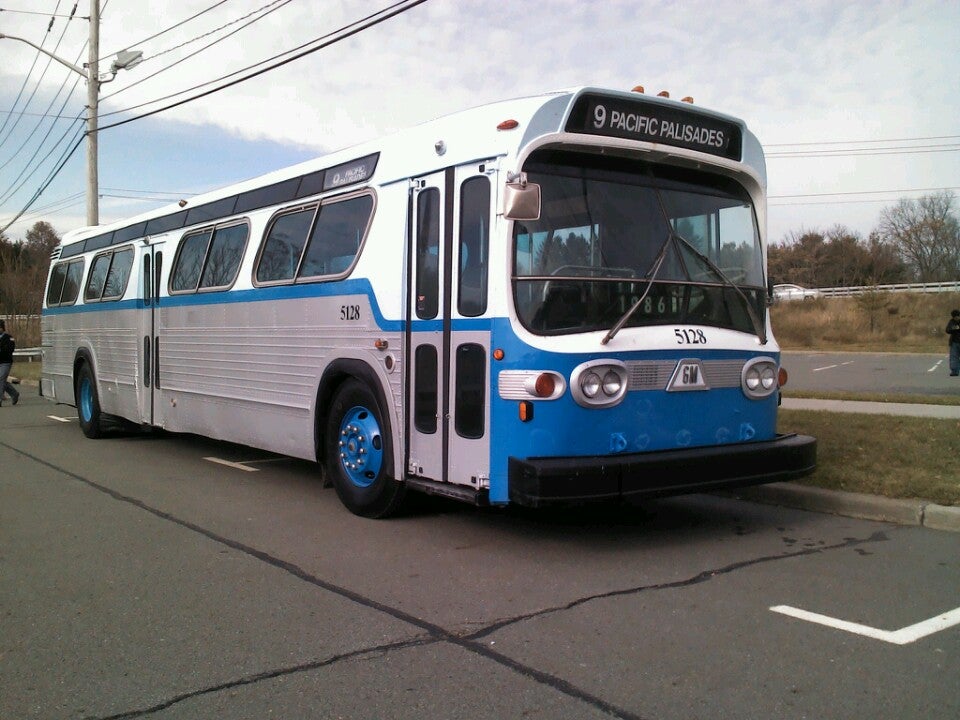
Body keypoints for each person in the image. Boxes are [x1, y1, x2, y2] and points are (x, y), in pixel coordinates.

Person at [0, 319, 20, 406]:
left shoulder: (9, 338)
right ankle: (14, 393)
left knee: (1, 378)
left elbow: (10, 349)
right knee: (2, 380)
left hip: (5, 362)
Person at [947, 309, 960, 377]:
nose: (956, 318)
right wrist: (955, 329)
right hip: (954, 342)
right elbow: (948, 330)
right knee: (954, 357)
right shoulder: (951, 322)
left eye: (957, 316)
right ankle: (954, 371)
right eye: (954, 317)